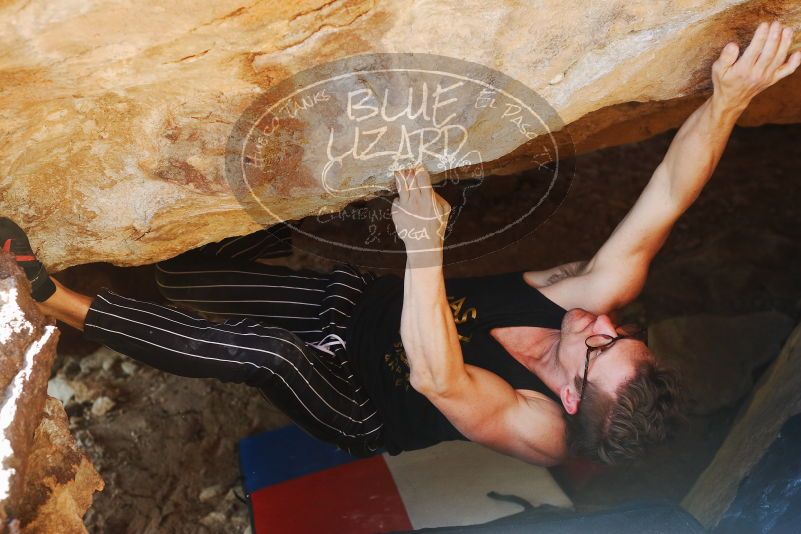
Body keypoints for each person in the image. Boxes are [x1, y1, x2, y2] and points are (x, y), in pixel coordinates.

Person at [3, 21, 798, 465]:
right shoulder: (593, 307)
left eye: (600, 350)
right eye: (622, 335)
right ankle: (231, 263)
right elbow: (666, 198)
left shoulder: (535, 427)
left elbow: (435, 374)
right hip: (360, 306)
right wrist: (730, 100)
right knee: (184, 285)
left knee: (271, 355)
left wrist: (425, 244)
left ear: (567, 396)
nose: (602, 325)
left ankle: (54, 300)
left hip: (360, 395)